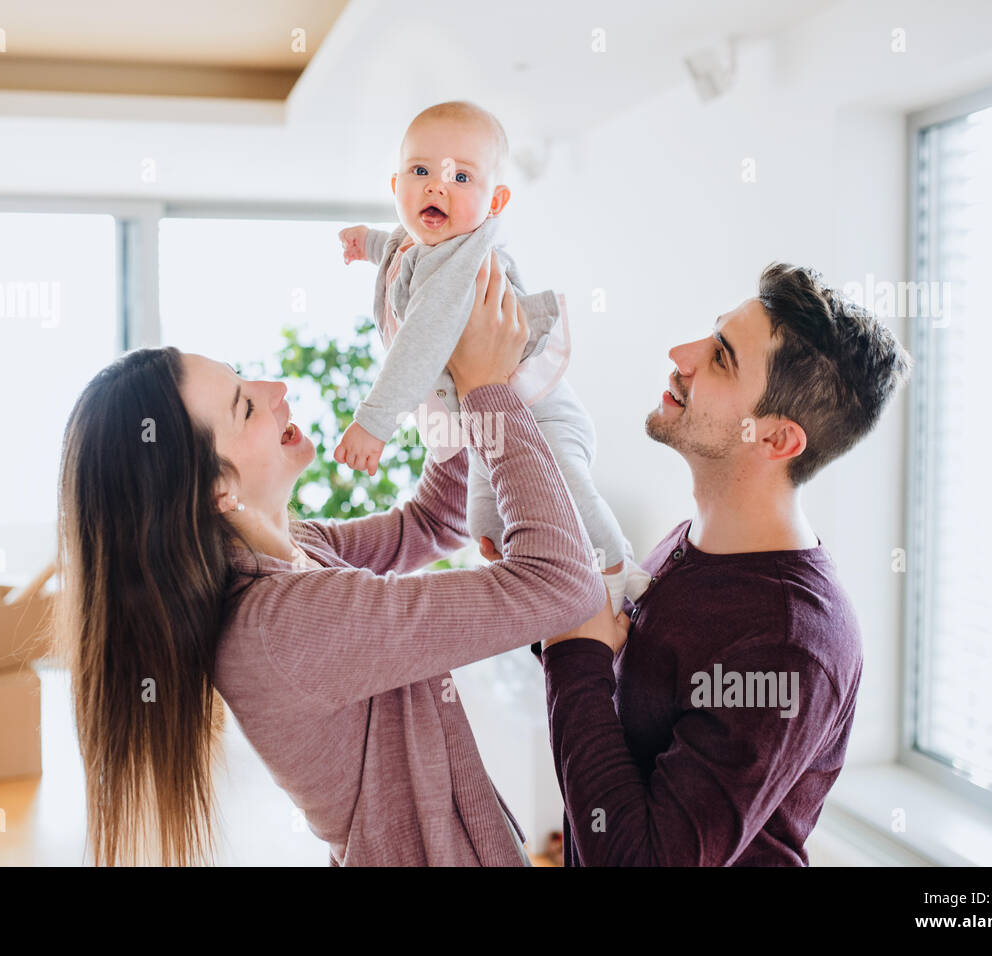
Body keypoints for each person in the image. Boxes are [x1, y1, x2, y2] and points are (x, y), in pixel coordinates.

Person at [54, 251, 610, 866]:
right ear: (218, 492)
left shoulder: (290, 554)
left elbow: (429, 525)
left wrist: (442, 370)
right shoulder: (286, 625)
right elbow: (562, 583)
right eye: (244, 405)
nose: (276, 390)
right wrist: (488, 391)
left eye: (247, 377)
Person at [486, 263, 913, 865]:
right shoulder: (697, 544)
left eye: (721, 359)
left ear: (776, 440)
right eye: (710, 337)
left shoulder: (789, 643)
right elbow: (621, 702)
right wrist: (551, 593)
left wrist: (571, 651)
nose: (680, 354)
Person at [336, 99, 650, 609]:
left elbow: (420, 341)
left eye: (461, 177)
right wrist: (368, 243)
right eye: (421, 171)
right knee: (486, 526)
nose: (437, 185)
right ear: (396, 187)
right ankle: (539, 586)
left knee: (571, 493)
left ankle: (621, 575)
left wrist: (375, 422)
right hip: (490, 425)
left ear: (495, 201)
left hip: (541, 418)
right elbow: (401, 246)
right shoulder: (427, 243)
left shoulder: (463, 262)